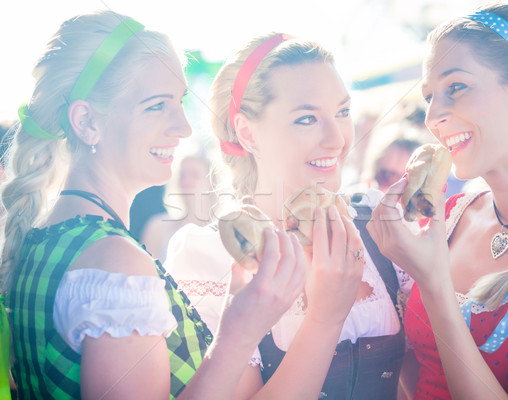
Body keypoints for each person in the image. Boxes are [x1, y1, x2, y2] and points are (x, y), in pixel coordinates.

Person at [0, 11, 306, 399]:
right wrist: (240, 332)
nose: (184, 126)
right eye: (156, 105)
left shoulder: (43, 234)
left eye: (179, 101)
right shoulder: (114, 260)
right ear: (87, 121)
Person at [367, 4, 508, 399]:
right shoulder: (453, 214)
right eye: (429, 97)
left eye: (455, 87)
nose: (433, 116)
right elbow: (421, 373)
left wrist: (434, 284)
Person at [165, 33, 412, 399]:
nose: (337, 139)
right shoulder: (208, 257)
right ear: (247, 133)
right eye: (307, 118)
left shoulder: (379, 221)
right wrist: (324, 319)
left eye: (343, 112)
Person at [141, 154, 216, 262]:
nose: (186, 182)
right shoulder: (157, 228)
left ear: (211, 182)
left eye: (194, 175)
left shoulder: (223, 233)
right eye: (182, 176)